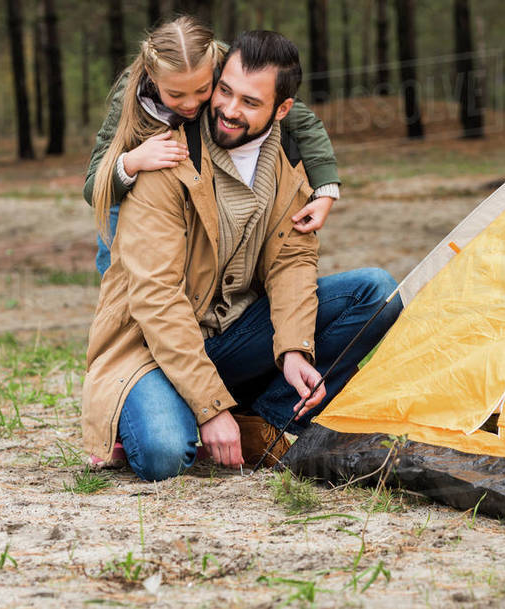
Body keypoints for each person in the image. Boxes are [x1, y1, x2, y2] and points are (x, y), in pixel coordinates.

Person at [81, 31, 400, 479]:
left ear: (281, 110)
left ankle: (262, 419)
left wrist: (293, 348)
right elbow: (155, 298)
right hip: (155, 345)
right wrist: (210, 410)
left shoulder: (289, 160)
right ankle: (171, 408)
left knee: (377, 292)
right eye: (225, 92)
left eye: (250, 102)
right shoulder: (162, 155)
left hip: (233, 332)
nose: (228, 109)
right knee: (164, 455)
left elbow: (291, 262)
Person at [83, 15, 340, 275]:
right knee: (121, 276)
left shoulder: (227, 63)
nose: (190, 104)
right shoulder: (130, 93)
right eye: (175, 94)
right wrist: (132, 161)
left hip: (200, 185)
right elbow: (94, 188)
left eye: (203, 89)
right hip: (134, 197)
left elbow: (304, 123)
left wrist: (326, 189)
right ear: (152, 76)